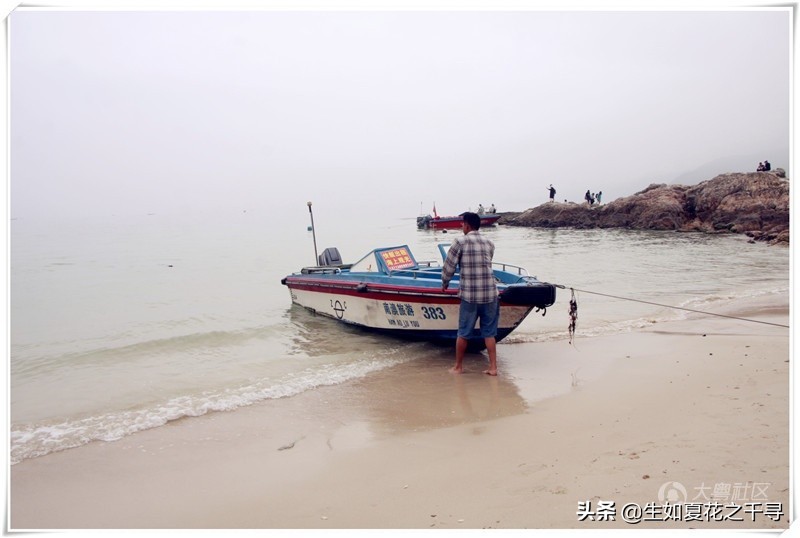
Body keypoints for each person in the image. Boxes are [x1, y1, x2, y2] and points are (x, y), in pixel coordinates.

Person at [441, 212, 499, 376]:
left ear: (466, 225)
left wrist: (444, 283)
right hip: (490, 294)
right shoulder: (489, 242)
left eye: (462, 224)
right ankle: (493, 368)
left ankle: (458, 367)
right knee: (489, 333)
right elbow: (488, 262)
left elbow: (449, 267)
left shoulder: (460, 241)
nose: (462, 227)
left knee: (464, 332)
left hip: (470, 296)